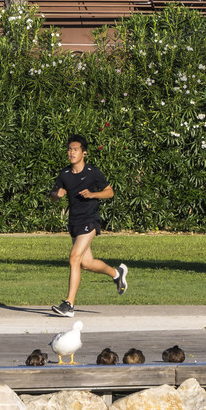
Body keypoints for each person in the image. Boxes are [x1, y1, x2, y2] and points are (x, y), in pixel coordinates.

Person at [52, 134, 128, 314]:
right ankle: (117, 274)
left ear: (83, 153)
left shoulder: (93, 173)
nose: (71, 153)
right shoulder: (64, 174)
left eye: (75, 150)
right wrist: (56, 195)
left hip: (90, 220)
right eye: (69, 149)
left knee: (73, 258)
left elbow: (110, 192)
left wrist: (93, 194)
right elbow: (53, 195)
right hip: (74, 222)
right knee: (86, 263)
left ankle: (69, 304)